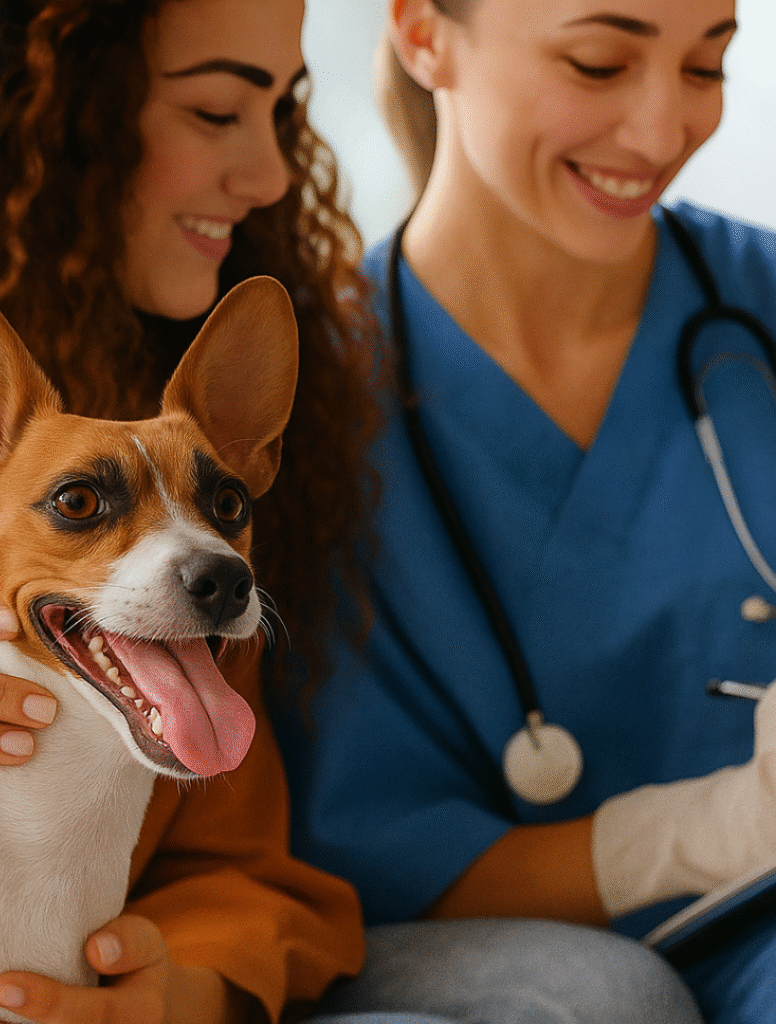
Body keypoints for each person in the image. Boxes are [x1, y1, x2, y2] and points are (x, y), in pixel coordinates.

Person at [0, 1, 383, 1021]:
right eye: (216, 111)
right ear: (47, 102)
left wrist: (178, 988)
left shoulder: (174, 438)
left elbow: (240, 863)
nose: (271, 176)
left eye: (286, 111)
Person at [274, 0, 776, 1021]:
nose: (661, 131)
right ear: (421, 34)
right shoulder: (303, 409)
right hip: (501, 974)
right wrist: (727, 823)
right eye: (597, 64)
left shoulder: (754, 306)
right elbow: (382, 863)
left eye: (706, 66)